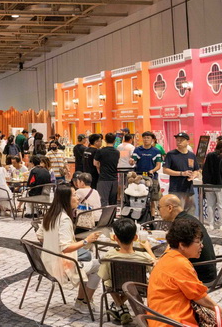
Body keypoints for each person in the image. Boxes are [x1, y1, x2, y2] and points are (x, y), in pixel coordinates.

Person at [36, 184, 102, 313]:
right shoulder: (64, 219)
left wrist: (53, 244)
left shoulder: (50, 214)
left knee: (88, 258)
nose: (77, 198)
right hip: (59, 266)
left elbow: (40, 236)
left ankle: (81, 300)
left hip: (46, 262)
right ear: (66, 198)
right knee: (100, 265)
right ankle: (84, 302)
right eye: (74, 195)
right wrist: (87, 240)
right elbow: (66, 248)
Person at [147, 218, 222, 327]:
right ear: (182, 245)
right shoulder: (180, 264)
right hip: (173, 322)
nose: (201, 246)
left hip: (159, 318)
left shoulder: (168, 255)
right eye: (198, 242)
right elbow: (201, 298)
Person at [97, 218, 156, 325]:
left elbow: (104, 276)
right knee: (133, 283)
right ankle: (119, 307)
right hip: (139, 287)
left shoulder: (109, 256)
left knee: (109, 282)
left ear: (115, 238)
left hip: (116, 286)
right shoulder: (145, 257)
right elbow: (155, 274)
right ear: (135, 237)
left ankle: (119, 306)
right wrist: (149, 251)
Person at [158, 194, 217, 283]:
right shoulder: (189, 219)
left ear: (170, 208)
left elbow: (171, 251)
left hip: (199, 275)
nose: (158, 211)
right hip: (208, 271)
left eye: (159, 208)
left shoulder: (181, 224)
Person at [162, 132, 200, 215]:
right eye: (177, 140)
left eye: (181, 140)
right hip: (176, 189)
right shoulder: (171, 154)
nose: (179, 142)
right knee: (176, 212)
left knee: (190, 212)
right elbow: (165, 170)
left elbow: (196, 170)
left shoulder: (191, 155)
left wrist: (194, 175)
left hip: (189, 189)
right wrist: (181, 173)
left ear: (187, 142)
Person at [201, 139, 222, 231]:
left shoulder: (209, 155)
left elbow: (205, 169)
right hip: (219, 184)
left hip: (208, 183)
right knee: (221, 205)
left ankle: (211, 224)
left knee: (210, 204)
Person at [94, 133, 120, 206]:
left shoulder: (100, 151)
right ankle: (113, 213)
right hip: (114, 178)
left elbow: (95, 163)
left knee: (103, 201)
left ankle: (104, 214)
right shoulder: (117, 152)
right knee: (113, 201)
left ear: (105, 140)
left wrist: (99, 169)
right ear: (114, 141)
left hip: (104, 178)